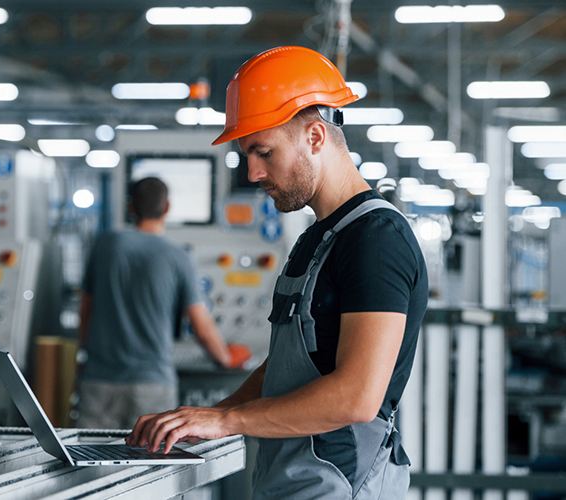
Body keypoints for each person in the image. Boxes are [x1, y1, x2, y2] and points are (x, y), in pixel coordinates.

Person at [126, 46, 428, 499]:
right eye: (246, 154)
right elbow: (288, 368)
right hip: (294, 481)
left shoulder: (376, 240)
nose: (252, 172)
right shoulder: (316, 238)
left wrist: (227, 420)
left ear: (314, 136)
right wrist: (206, 419)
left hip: (342, 485)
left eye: (262, 152)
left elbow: (357, 397)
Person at [77, 176, 249, 430]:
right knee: (152, 462)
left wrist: (89, 357)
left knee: (92, 460)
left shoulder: (104, 246)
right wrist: (225, 357)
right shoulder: (178, 256)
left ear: (130, 207)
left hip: (99, 381)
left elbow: (85, 313)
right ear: (167, 208)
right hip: (152, 385)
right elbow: (200, 326)